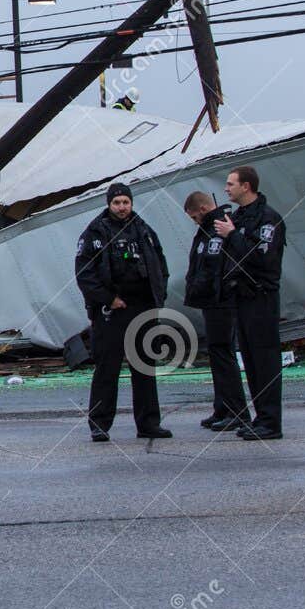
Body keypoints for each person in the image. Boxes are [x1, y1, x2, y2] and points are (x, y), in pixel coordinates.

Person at [74, 182, 172, 442]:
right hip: (111, 310)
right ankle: (99, 423)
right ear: (109, 204)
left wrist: (158, 296)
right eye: (117, 203)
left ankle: (149, 423)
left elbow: (160, 264)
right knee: (108, 368)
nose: (121, 207)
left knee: (145, 366)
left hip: (143, 308)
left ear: (131, 203)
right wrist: (108, 298)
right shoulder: (95, 232)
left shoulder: (143, 230)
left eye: (125, 202)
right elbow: (85, 274)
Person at [215, 165, 287, 440]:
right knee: (251, 361)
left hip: (262, 297)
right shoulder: (241, 217)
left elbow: (261, 258)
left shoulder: (268, 219)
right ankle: (260, 417)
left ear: (246, 186)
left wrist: (233, 236)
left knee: (265, 360)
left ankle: (271, 421)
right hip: (241, 297)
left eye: (231, 184)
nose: (226, 188)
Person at [182, 191, 249, 431]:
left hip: (221, 300)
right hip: (212, 301)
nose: (194, 222)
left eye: (193, 217)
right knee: (218, 355)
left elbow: (217, 265)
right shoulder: (208, 229)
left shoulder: (219, 227)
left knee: (224, 355)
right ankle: (222, 407)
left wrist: (204, 290)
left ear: (201, 210)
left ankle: (236, 411)